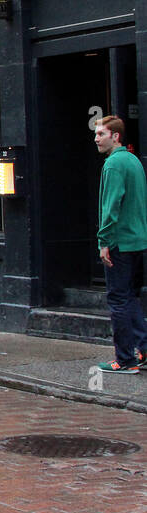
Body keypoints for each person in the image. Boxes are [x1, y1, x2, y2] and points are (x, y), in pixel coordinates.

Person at [94, 116, 147, 373]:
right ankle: (144, 350)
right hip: (138, 241)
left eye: (101, 134)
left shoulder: (113, 164)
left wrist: (104, 241)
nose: (96, 139)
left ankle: (125, 360)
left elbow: (111, 206)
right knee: (130, 298)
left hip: (120, 242)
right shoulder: (133, 160)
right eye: (96, 134)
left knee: (118, 299)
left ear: (116, 136)